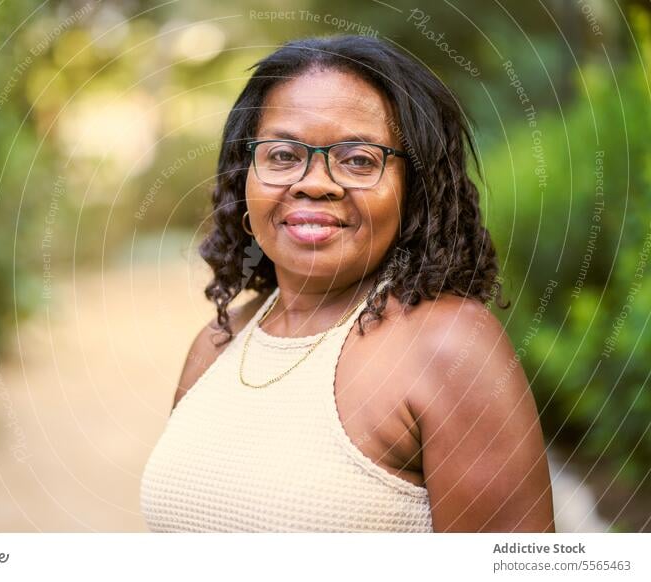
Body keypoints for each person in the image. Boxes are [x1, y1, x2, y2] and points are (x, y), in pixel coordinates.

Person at [140, 35, 555, 532]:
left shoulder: (450, 347)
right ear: (243, 177)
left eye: (358, 159)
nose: (314, 182)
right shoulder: (216, 346)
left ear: (414, 192)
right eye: (283, 155)